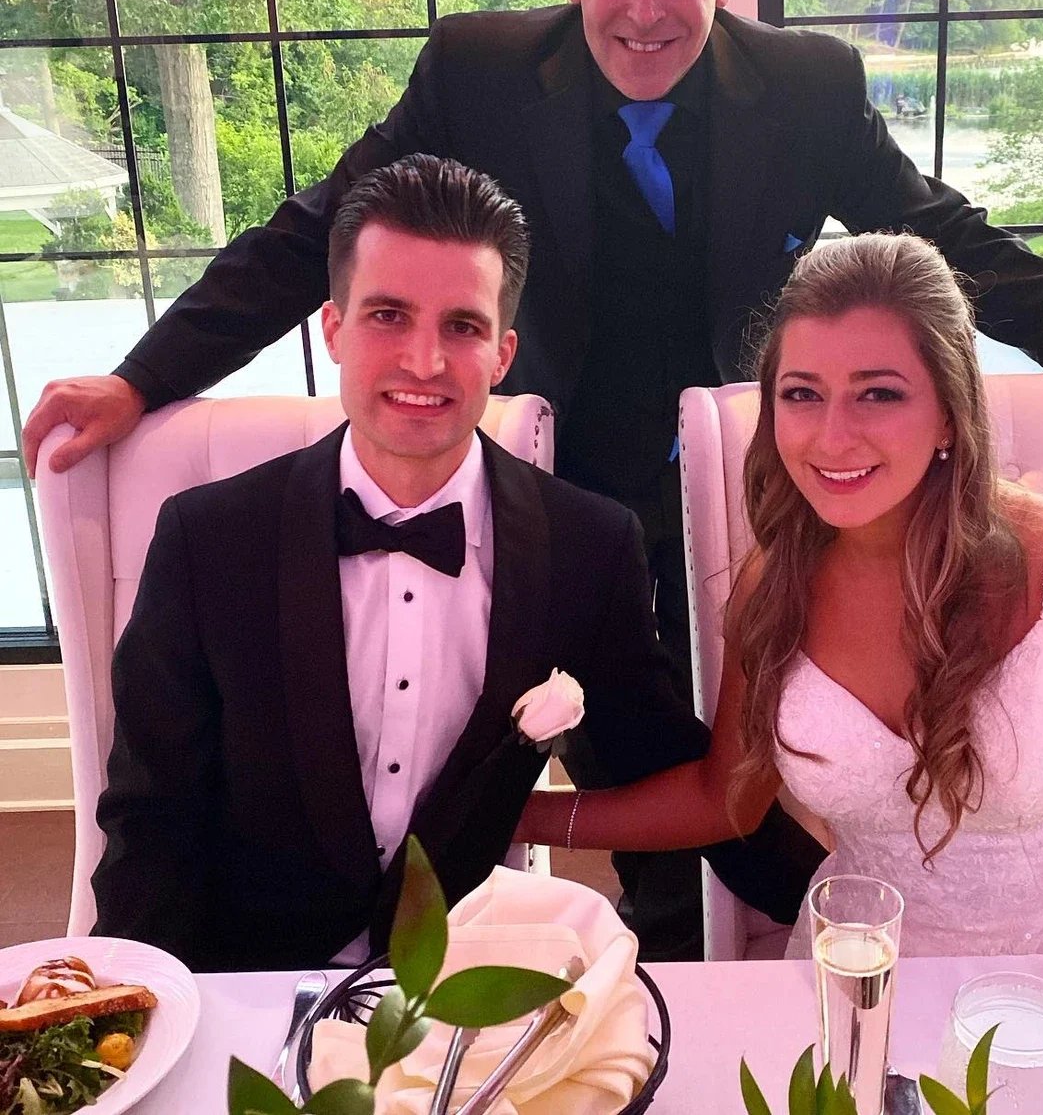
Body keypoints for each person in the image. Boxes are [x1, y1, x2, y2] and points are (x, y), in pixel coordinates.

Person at [28, 0, 1043, 954]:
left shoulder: (806, 86)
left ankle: (826, 933)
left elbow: (933, 237)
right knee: (635, 769)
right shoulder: (480, 71)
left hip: (767, 480)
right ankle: (697, 949)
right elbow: (318, 233)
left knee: (743, 767)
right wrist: (142, 381)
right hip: (573, 502)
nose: (644, 8)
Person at [90, 155, 819, 972]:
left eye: (461, 327)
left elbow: (667, 764)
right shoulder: (209, 540)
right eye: (388, 316)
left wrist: (855, 891)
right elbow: (150, 822)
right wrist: (132, 1025)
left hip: (469, 990)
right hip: (254, 983)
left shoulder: (585, 546)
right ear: (333, 327)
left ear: (503, 352)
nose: (425, 362)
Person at [518, 232, 1043, 956]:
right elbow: (723, 800)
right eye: (803, 394)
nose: (833, 437)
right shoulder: (775, 584)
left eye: (879, 394)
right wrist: (520, 817)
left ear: (951, 413)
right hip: (858, 980)